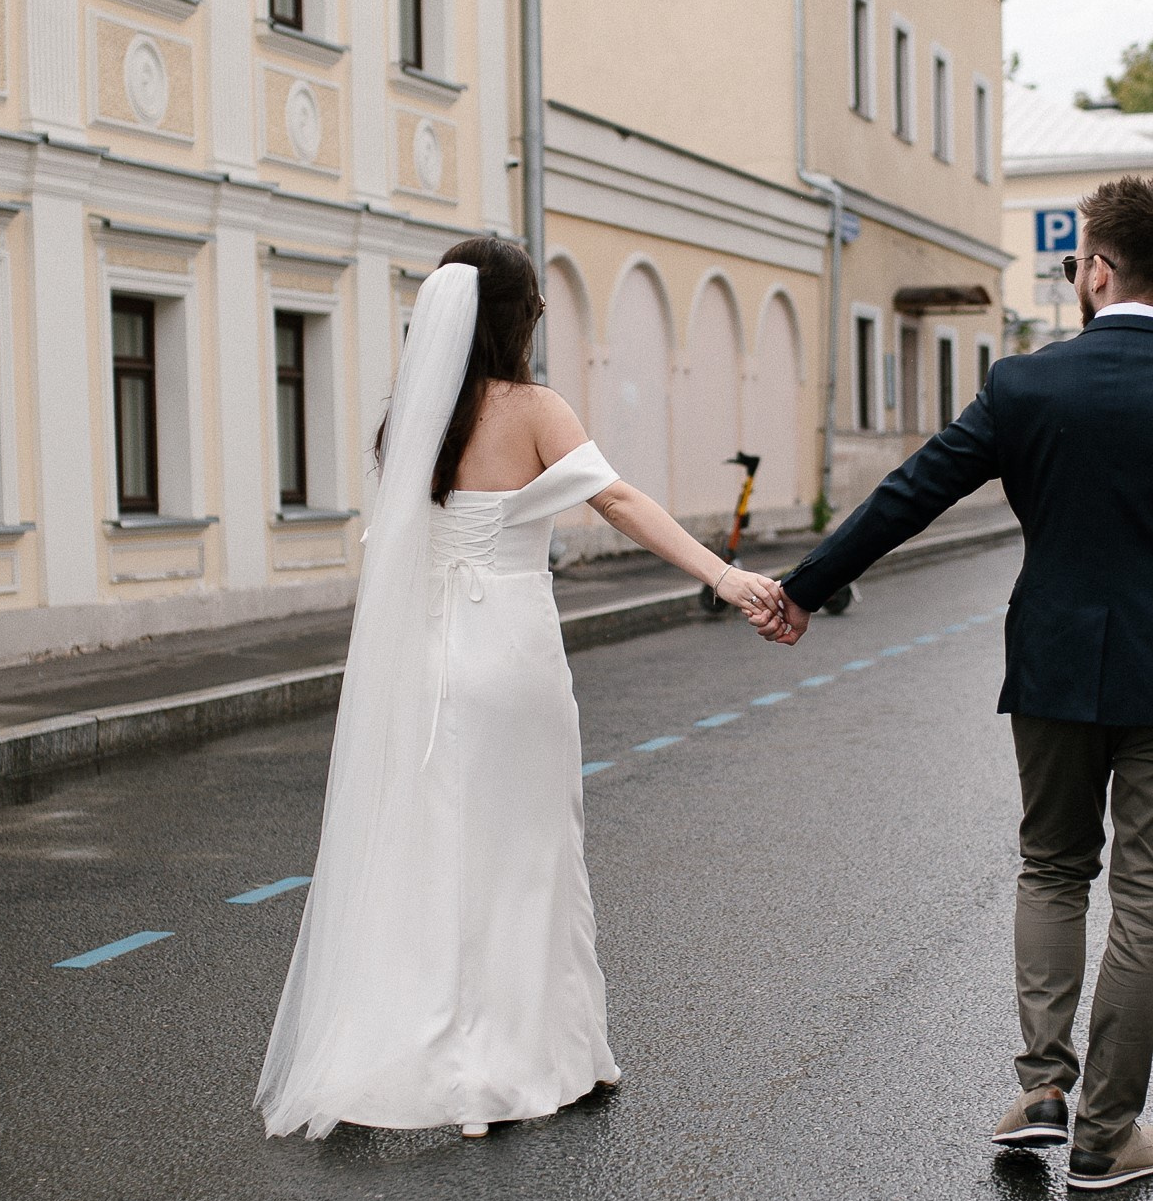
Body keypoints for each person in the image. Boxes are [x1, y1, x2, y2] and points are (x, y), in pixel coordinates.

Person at [758, 174, 1153, 1192]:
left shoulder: (1023, 385)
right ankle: (1105, 1132)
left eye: (1072, 263)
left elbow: (911, 491)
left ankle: (1041, 1086)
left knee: (1052, 867)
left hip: (1051, 665)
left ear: (1097, 271)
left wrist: (804, 587)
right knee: (1148, 902)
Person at [258, 239, 783, 1142]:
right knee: (532, 851)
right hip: (509, 655)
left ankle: (427, 1051)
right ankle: (539, 1060)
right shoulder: (533, 408)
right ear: (518, 320)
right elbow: (615, 501)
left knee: (438, 854)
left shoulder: (412, 422)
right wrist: (725, 576)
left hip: (429, 658)